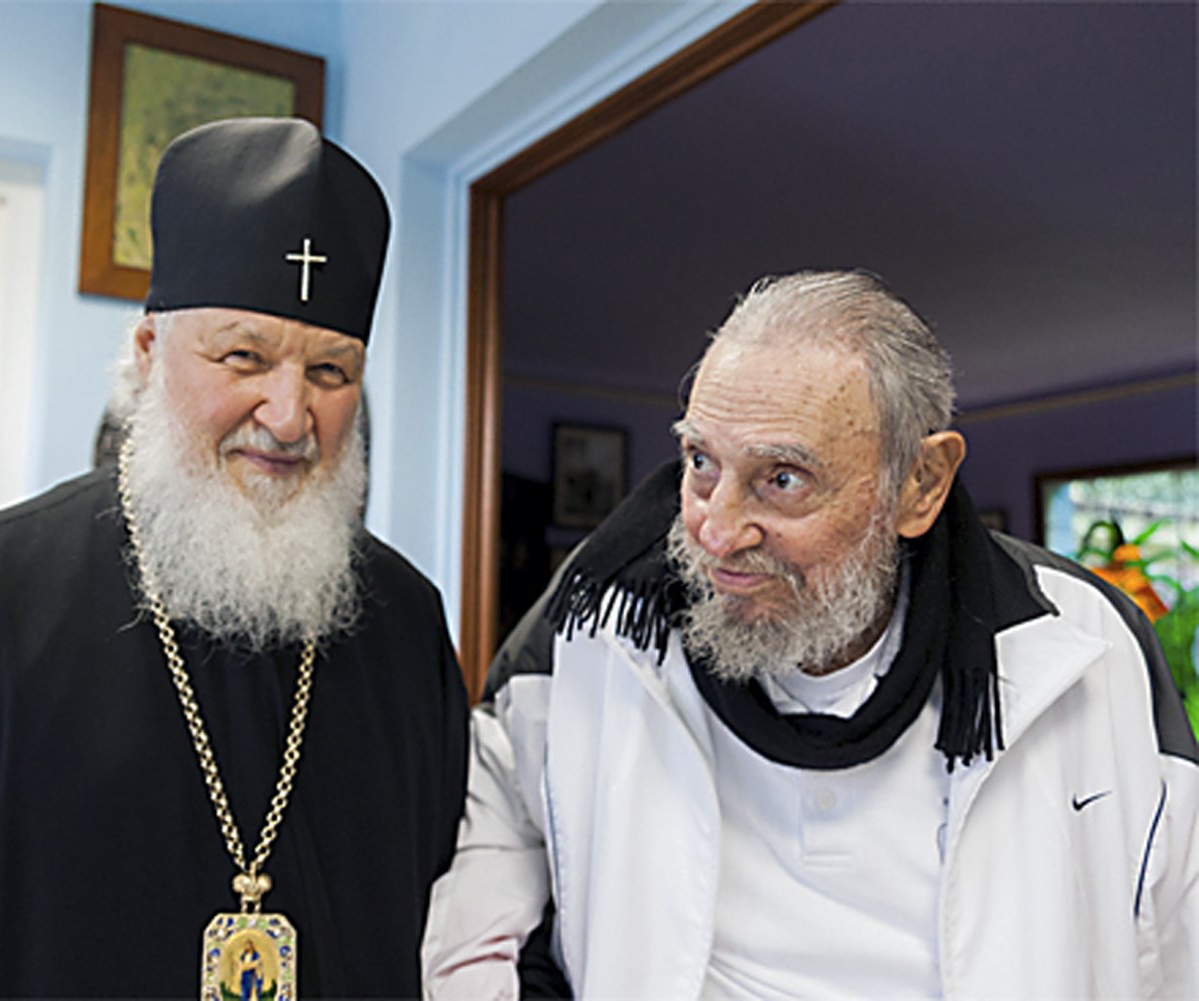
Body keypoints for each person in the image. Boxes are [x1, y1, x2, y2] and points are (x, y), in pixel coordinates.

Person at [0, 118, 469, 998]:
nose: (288, 413)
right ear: (149, 354)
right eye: (244, 356)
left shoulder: (405, 623)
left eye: (332, 373)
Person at [421, 270, 1198, 998]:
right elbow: (487, 842)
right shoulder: (594, 625)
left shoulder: (1083, 648)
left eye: (782, 478)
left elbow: (1175, 941)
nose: (717, 531)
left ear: (919, 484)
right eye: (700, 461)